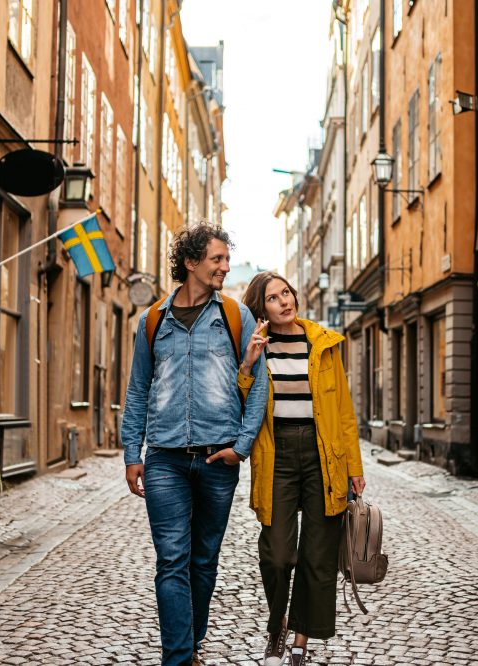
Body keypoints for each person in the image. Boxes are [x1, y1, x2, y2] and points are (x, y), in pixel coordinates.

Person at [121, 224, 268, 666]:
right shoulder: (153, 320)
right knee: (171, 561)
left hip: (218, 457)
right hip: (164, 458)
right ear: (191, 263)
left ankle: (194, 638)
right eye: (217, 259)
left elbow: (258, 384)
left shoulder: (235, 316)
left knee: (203, 562)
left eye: (227, 259)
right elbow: (138, 390)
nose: (225, 267)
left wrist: (240, 447)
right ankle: (179, 658)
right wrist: (133, 452)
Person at [237, 272, 365, 666]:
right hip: (276, 455)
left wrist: (354, 466)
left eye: (286, 293)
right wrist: (248, 363)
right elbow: (239, 405)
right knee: (277, 555)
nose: (284, 301)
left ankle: (300, 639)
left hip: (322, 454)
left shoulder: (323, 344)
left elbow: (343, 411)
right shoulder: (256, 347)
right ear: (261, 308)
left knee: (317, 554)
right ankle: (278, 624)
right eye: (273, 298)